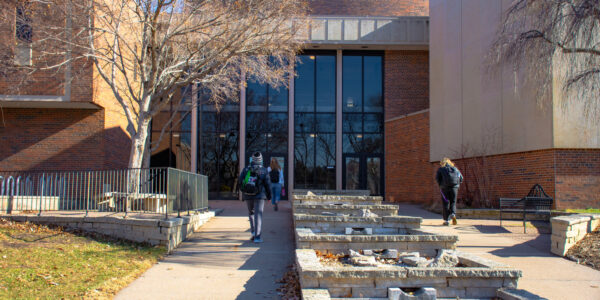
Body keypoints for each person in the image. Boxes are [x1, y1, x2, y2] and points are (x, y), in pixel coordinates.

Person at [238, 152, 271, 243]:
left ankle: (253, 232)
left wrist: (244, 193)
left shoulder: (246, 169)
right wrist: (269, 196)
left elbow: (240, 181)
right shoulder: (264, 170)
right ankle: (257, 237)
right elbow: (268, 184)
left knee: (251, 213)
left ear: (252, 159)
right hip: (260, 196)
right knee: (258, 215)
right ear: (261, 160)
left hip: (248, 195)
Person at [435, 157, 463, 226]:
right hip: (454, 188)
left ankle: (446, 220)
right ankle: (453, 214)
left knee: (446, 203)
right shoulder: (455, 169)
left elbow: (437, 178)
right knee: (453, 202)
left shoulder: (441, 169)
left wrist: (440, 185)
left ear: (442, 163)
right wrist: (457, 185)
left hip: (444, 189)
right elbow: (461, 178)